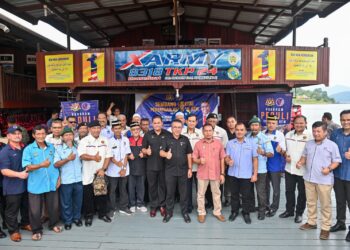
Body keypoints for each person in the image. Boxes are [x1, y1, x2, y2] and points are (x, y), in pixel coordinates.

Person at [298, 121, 341, 240]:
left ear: (325, 132)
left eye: (319, 131)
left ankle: (326, 228)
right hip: (309, 178)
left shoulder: (332, 145)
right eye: (314, 131)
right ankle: (311, 222)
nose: (316, 134)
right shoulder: (309, 143)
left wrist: (329, 168)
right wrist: (300, 162)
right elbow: (304, 156)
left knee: (325, 205)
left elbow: (337, 161)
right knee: (311, 202)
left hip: (324, 180)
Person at [22, 125, 61, 241]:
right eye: (38, 134)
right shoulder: (28, 149)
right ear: (33, 135)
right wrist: (41, 165)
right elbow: (27, 166)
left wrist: (59, 178)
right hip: (36, 184)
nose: (40, 136)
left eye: (42, 133)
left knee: (53, 207)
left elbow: (56, 163)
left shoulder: (51, 147)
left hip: (51, 182)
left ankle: (53, 224)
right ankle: (36, 230)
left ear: (46, 134)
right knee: (35, 210)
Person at [78, 120, 112, 226]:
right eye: (94, 128)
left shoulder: (105, 140)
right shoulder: (84, 141)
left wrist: (103, 169)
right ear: (89, 129)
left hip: (100, 173)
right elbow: (81, 155)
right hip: (87, 174)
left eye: (98, 128)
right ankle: (89, 216)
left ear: (101, 129)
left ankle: (102, 214)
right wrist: (94, 157)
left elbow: (108, 156)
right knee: (88, 197)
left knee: (102, 195)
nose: (96, 130)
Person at [0, 126, 31, 242]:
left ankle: (25, 223)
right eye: (14, 134)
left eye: (19, 133)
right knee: (12, 211)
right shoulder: (4, 152)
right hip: (12, 187)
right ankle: (13, 231)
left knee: (25, 206)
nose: (17, 135)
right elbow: (4, 171)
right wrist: (19, 175)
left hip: (26, 185)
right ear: (8, 136)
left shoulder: (25, 148)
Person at [279, 115, 312, 223]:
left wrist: (303, 161)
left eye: (301, 123)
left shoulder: (310, 136)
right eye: (297, 123)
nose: (299, 125)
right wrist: (285, 155)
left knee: (302, 193)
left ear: (306, 123)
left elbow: (313, 153)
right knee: (289, 191)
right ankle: (289, 210)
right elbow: (284, 150)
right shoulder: (288, 134)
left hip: (304, 171)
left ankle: (299, 213)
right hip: (289, 169)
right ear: (293, 124)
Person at [160, 119, 193, 223]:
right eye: (175, 127)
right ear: (172, 128)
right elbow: (161, 152)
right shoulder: (166, 139)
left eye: (179, 127)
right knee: (170, 193)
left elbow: (189, 155)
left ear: (182, 128)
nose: (177, 129)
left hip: (183, 171)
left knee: (184, 194)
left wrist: (190, 168)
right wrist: (166, 155)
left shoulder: (185, 139)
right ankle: (168, 213)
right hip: (170, 171)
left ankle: (185, 213)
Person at [225, 122, 258, 224]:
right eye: (237, 130)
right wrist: (228, 161)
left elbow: (255, 159)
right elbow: (227, 157)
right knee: (234, 195)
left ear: (245, 131)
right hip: (233, 174)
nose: (239, 132)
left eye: (241, 130)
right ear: (234, 131)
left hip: (246, 175)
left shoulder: (251, 143)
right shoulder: (230, 143)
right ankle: (234, 211)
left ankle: (246, 212)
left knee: (246, 195)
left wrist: (255, 174)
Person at [193, 123, 226, 223]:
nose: (208, 133)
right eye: (206, 131)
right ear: (202, 132)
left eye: (210, 130)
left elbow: (222, 159)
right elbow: (193, 158)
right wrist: (199, 161)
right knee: (201, 194)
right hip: (202, 173)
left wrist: (222, 173)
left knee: (216, 193)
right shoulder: (198, 144)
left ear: (213, 132)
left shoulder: (218, 143)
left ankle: (217, 212)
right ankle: (201, 213)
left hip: (215, 173)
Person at [54, 127, 83, 230]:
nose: (68, 137)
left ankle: (77, 218)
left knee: (78, 201)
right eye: (66, 135)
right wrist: (68, 159)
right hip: (66, 180)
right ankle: (68, 220)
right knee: (66, 202)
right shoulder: (58, 149)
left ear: (73, 135)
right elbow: (56, 164)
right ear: (62, 137)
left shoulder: (79, 147)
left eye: (70, 134)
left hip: (79, 179)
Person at [142, 115, 171, 218]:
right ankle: (154, 206)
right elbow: (143, 149)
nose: (157, 124)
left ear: (162, 123)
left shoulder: (168, 134)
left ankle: (162, 206)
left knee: (163, 186)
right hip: (151, 166)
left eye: (159, 122)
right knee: (152, 187)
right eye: (155, 123)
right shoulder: (148, 135)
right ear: (152, 124)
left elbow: (170, 149)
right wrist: (146, 151)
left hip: (164, 166)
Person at [247, 116, 274, 220]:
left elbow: (271, 153)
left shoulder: (265, 138)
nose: (254, 127)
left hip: (261, 170)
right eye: (252, 125)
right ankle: (251, 207)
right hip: (248, 169)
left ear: (260, 126)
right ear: (250, 126)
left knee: (260, 191)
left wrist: (263, 152)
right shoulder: (247, 136)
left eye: (256, 125)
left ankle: (262, 211)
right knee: (248, 191)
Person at [330, 110, 350, 242]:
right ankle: (341, 223)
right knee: (340, 201)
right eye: (343, 120)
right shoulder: (335, 133)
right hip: (337, 174)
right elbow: (328, 149)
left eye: (348, 120)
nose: (345, 122)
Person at [106, 120, 132, 216]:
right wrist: (119, 165)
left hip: (124, 169)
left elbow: (126, 154)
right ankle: (112, 208)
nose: (117, 130)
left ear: (122, 129)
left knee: (123, 189)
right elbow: (110, 156)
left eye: (119, 128)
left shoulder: (126, 140)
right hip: (113, 170)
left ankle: (123, 207)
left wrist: (123, 168)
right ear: (112, 129)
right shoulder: (109, 141)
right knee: (112, 190)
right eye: (115, 128)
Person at [264, 113, 286, 217]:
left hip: (275, 165)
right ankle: (266, 205)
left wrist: (280, 150)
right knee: (265, 187)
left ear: (276, 124)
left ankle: (274, 207)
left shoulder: (280, 135)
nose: (271, 125)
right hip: (264, 165)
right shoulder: (263, 133)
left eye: (273, 123)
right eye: (269, 123)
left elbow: (283, 151)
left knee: (276, 188)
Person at [182, 114, 203, 213]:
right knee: (187, 188)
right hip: (186, 166)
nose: (191, 123)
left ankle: (200, 207)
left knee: (200, 188)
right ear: (186, 122)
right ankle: (188, 206)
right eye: (189, 121)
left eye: (193, 121)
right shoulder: (181, 133)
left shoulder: (201, 133)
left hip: (199, 165)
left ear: (196, 122)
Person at [128, 122, 147, 213]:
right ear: (131, 131)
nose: (135, 131)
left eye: (137, 129)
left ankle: (140, 203)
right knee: (131, 187)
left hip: (141, 167)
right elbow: (123, 154)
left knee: (141, 187)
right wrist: (128, 157)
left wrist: (144, 155)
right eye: (133, 130)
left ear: (140, 130)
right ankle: (132, 204)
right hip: (130, 168)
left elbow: (149, 153)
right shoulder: (127, 140)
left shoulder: (144, 140)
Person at [224, 116, 237, 207]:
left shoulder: (239, 132)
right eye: (228, 122)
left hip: (238, 160)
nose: (230, 123)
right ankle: (227, 198)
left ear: (236, 122)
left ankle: (238, 198)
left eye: (232, 121)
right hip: (227, 159)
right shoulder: (225, 133)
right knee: (228, 181)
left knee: (238, 179)